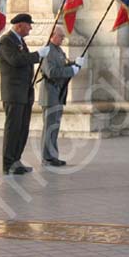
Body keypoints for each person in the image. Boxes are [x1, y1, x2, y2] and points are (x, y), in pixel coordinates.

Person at [0, 13, 50, 175]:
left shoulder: (20, 41)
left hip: (25, 92)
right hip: (13, 93)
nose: (31, 28)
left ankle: (16, 159)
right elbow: (16, 60)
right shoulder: (6, 41)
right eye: (29, 25)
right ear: (19, 25)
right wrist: (37, 55)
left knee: (22, 128)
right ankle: (8, 163)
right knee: (13, 129)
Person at [38, 25, 85, 166]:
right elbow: (51, 72)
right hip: (50, 93)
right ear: (53, 35)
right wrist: (71, 70)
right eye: (61, 36)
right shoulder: (47, 51)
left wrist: (75, 63)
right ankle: (47, 157)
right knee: (49, 127)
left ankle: (53, 155)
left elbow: (63, 65)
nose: (63, 39)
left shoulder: (58, 51)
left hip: (58, 93)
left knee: (55, 126)